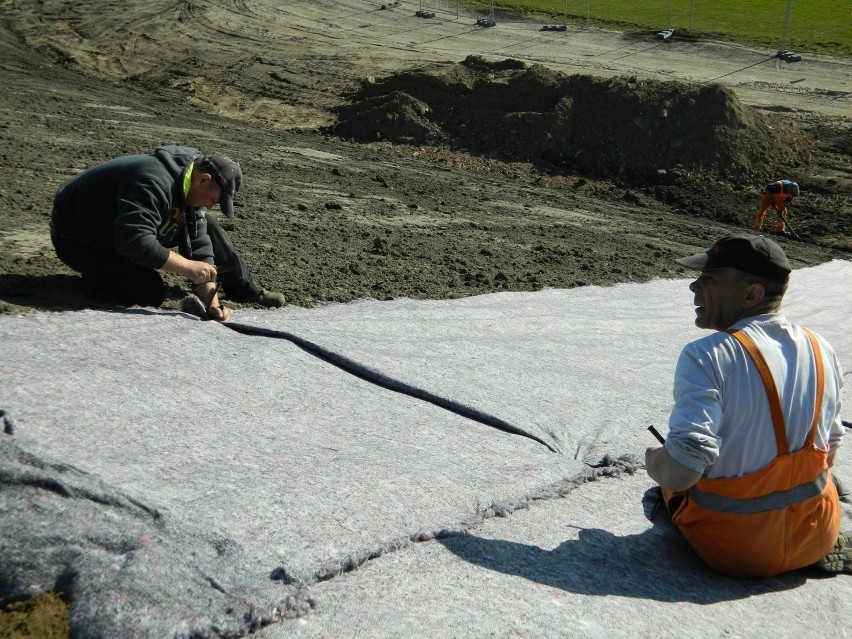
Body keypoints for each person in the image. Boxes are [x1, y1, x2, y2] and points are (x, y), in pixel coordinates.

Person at [645, 233, 850, 577]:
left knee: (668, 480)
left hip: (734, 550)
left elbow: (684, 466)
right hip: (816, 535)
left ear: (751, 294)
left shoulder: (707, 356)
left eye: (708, 279)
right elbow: (831, 447)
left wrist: (655, 461)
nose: (694, 287)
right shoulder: (821, 348)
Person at [50, 145, 285, 322]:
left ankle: (246, 291)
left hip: (120, 232)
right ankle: (95, 275)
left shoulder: (190, 184)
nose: (210, 206)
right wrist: (186, 266)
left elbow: (199, 245)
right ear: (204, 180)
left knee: (208, 225)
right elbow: (134, 241)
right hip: (79, 239)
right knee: (149, 292)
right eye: (212, 200)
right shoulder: (153, 181)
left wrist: (212, 303)